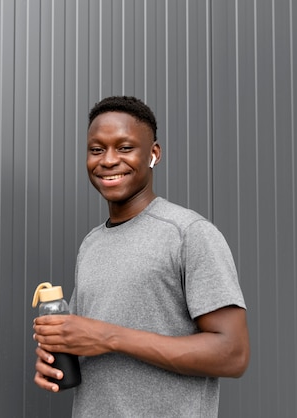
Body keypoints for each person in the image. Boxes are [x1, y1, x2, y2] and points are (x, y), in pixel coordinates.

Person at [33, 96, 249, 417]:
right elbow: (88, 340)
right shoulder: (92, 244)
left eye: (124, 147)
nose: (108, 160)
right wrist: (58, 356)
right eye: (96, 149)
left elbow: (232, 354)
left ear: (153, 154)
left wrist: (109, 337)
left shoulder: (188, 233)